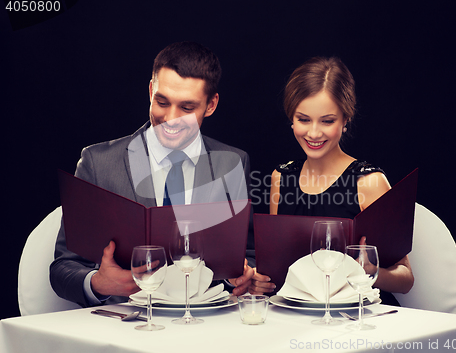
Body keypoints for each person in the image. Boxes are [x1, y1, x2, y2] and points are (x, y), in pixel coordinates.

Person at [50, 41, 254, 307]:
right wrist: (97, 283)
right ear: (150, 91)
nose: (170, 118)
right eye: (162, 102)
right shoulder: (97, 163)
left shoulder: (234, 162)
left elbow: (246, 254)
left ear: (211, 105)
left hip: (205, 325)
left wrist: (242, 276)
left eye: (187, 108)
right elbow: (62, 268)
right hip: (126, 329)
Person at [250, 56, 414, 300]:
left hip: (354, 318)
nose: (314, 133)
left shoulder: (368, 181)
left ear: (345, 120)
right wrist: (261, 281)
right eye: (303, 119)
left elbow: (406, 279)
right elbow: (279, 270)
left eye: (327, 121)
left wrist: (372, 272)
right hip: (294, 317)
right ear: (291, 119)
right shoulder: (281, 177)